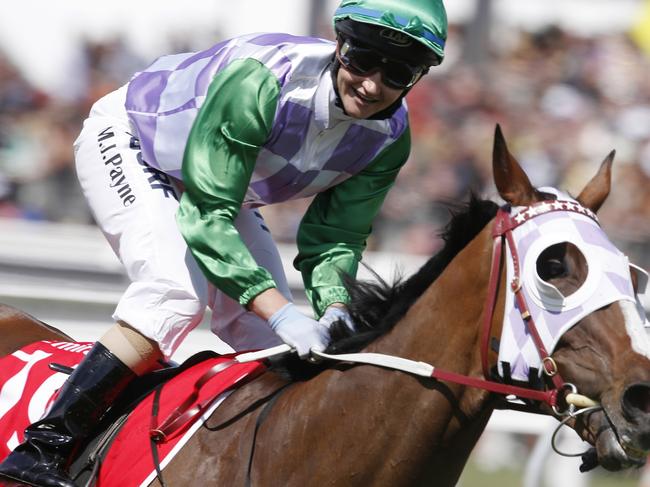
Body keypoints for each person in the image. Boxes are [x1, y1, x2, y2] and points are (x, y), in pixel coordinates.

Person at [0, 0, 447, 485]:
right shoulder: (261, 81)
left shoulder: (390, 137)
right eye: (362, 61)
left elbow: (335, 236)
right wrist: (279, 308)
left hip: (215, 186)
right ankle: (41, 449)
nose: (372, 84)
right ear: (340, 46)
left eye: (398, 72)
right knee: (174, 295)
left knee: (273, 348)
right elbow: (207, 217)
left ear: (419, 77)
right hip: (135, 144)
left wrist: (335, 305)